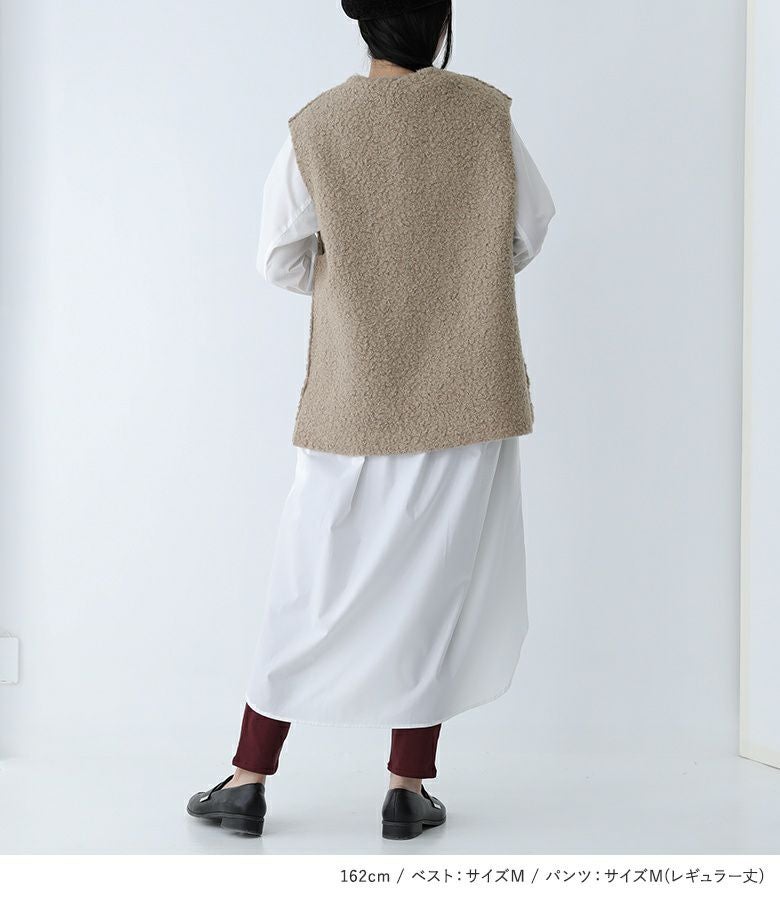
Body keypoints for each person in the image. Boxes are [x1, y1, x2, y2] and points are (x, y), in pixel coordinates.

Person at [187, 0, 555, 841]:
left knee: (307, 586)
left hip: (354, 396)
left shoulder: (318, 124)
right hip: (466, 392)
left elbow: (278, 258)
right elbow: (530, 229)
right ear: (439, 25)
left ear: (363, 25)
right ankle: (405, 789)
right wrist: (458, 271)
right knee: (437, 589)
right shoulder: (486, 114)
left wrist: (355, 277)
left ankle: (248, 779)